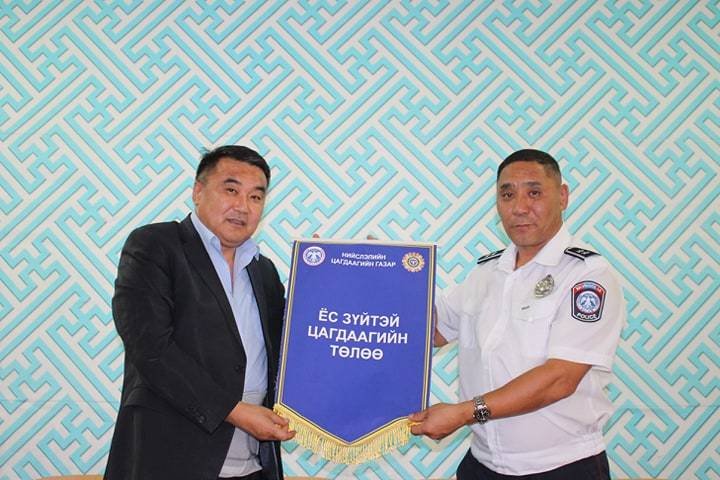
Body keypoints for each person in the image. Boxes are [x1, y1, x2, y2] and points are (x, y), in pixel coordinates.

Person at [410, 149, 625, 479]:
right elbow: (431, 331)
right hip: (482, 465)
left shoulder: (587, 276)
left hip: (561, 467)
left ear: (563, 196)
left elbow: (559, 378)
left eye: (534, 193)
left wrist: (466, 412)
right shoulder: (486, 273)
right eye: (507, 194)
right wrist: (386, 282)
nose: (520, 207)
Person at [105, 145, 295, 480]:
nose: (243, 206)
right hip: (171, 461)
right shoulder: (156, 245)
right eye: (231, 190)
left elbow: (290, 351)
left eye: (255, 197)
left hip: (254, 464)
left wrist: (330, 280)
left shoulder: (263, 271)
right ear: (197, 191)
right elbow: (151, 348)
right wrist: (233, 411)